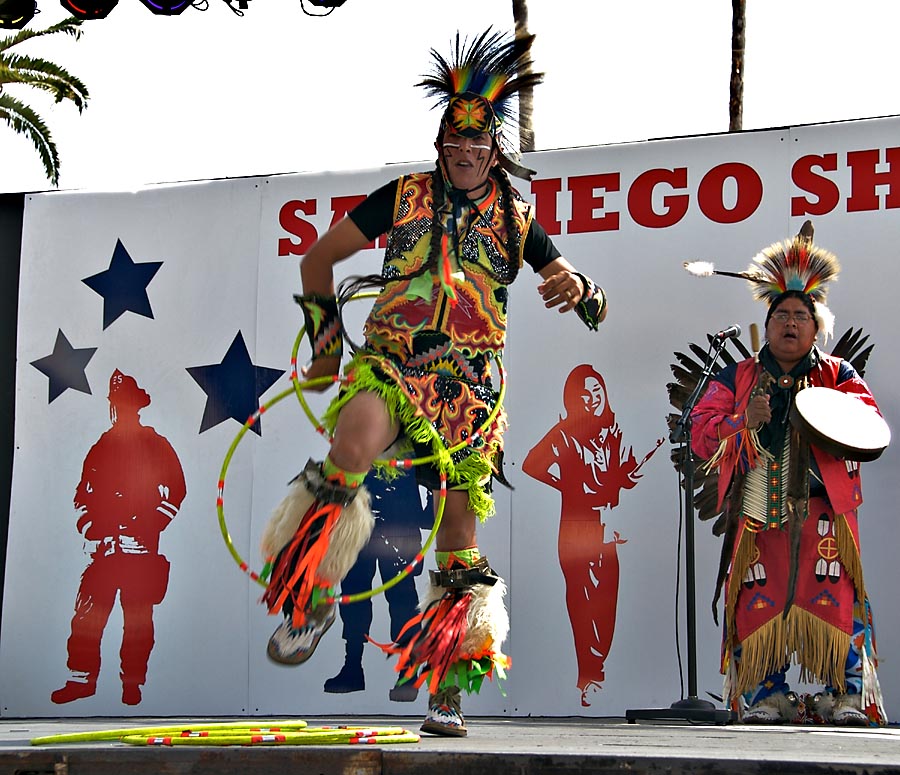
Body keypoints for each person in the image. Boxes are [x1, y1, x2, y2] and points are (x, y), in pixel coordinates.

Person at [257, 29, 607, 737]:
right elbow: (318, 260)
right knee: (351, 446)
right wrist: (327, 348)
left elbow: (594, 303)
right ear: (440, 142)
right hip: (394, 363)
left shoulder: (515, 218)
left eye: (477, 144)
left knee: (458, 534)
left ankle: (447, 688)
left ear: (496, 149)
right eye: (452, 141)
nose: (463, 153)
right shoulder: (403, 196)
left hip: (472, 394)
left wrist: (579, 284)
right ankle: (310, 594)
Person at [690, 222, 887, 725]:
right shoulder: (738, 377)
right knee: (759, 597)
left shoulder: (839, 375)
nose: (791, 323)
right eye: (782, 315)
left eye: (802, 314)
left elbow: (870, 424)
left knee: (837, 596)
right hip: (760, 501)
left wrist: (828, 412)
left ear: (817, 325)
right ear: (769, 321)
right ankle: (764, 695)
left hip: (824, 511)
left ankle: (847, 696)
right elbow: (701, 432)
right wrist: (742, 420)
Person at [522, 365, 661, 706]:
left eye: (597, 391)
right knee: (582, 605)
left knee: (605, 604)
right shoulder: (565, 433)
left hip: (607, 528)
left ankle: (597, 667)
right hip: (574, 528)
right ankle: (590, 674)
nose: (592, 399)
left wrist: (627, 476)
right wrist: (567, 487)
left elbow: (625, 475)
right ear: (573, 398)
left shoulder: (614, 432)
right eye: (585, 394)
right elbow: (530, 464)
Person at [52, 370, 186, 706]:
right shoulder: (100, 446)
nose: (118, 410)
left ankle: (132, 682)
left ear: (135, 407)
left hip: (139, 552)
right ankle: (81, 679)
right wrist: (89, 526)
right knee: (86, 616)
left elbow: (176, 491)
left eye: (123, 404)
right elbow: (82, 495)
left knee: (138, 621)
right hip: (104, 551)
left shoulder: (156, 444)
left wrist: (149, 526)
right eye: (115, 404)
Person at [323, 470, 432, 702]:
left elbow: (433, 472)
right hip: (359, 523)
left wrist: (429, 508)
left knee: (402, 599)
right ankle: (353, 666)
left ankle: (407, 672)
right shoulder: (357, 436)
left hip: (399, 525)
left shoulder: (411, 438)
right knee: (354, 594)